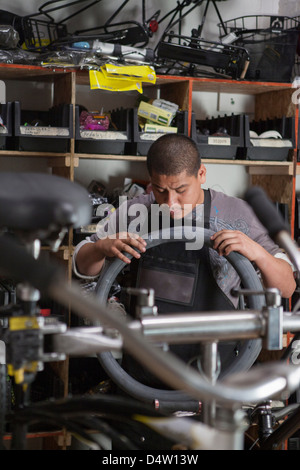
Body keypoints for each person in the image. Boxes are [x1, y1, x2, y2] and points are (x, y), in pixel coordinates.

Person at [73, 133, 296, 307]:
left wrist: (256, 251)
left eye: (181, 190)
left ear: (201, 174)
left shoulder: (236, 213)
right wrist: (100, 248)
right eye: (160, 190)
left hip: (219, 354)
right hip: (146, 348)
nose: (170, 203)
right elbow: (82, 267)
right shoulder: (134, 211)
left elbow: (286, 287)